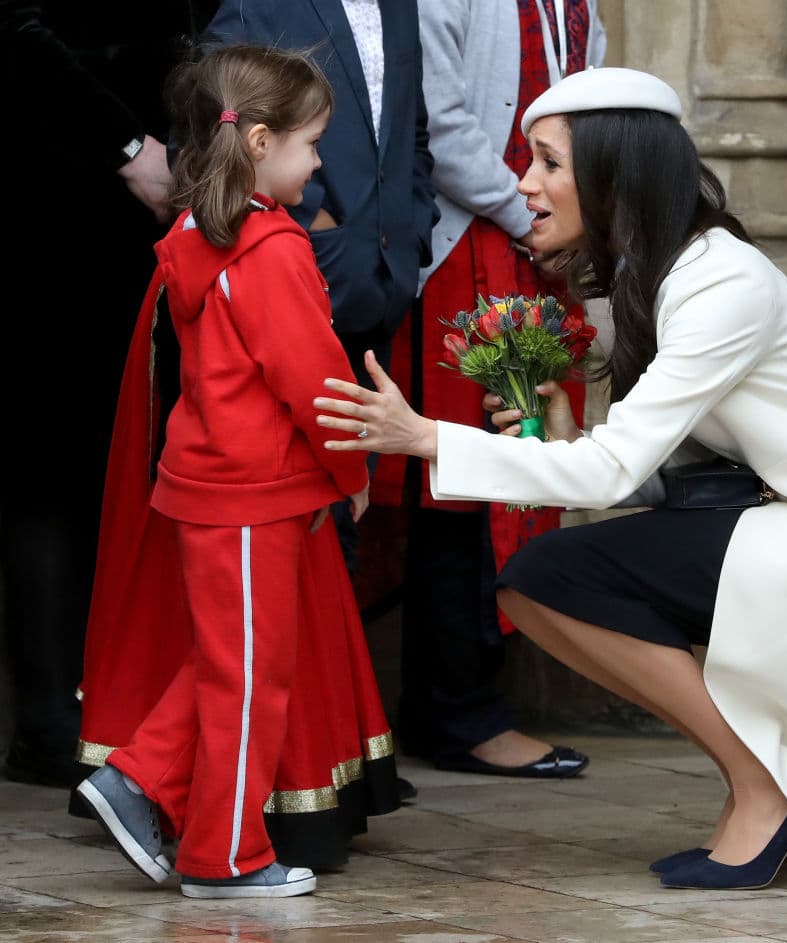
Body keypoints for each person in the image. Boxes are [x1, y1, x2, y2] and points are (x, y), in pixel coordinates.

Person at [312, 67, 787, 889]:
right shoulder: (673, 270)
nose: (525, 183)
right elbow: (656, 471)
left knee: (547, 577)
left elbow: (613, 473)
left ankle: (763, 786)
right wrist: (571, 436)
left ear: (614, 178)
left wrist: (427, 436)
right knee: (543, 580)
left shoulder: (719, 283)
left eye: (548, 163)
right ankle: (765, 783)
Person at [75, 42, 399, 898]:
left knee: (231, 663)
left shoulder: (199, 232)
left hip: (221, 492)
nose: (319, 163)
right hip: (251, 496)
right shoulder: (270, 248)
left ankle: (136, 777)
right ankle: (224, 856)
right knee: (249, 677)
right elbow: (315, 381)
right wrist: (350, 470)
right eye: (312, 144)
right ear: (259, 141)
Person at [199, 0, 440, 802]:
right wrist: (316, 220)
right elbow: (211, 105)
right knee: (285, 590)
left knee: (334, 556)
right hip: (318, 264)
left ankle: (333, 760)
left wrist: (412, 226)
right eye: (302, 146)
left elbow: (408, 128)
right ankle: (289, 782)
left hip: (380, 275)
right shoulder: (268, 250)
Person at [368, 0, 604, 777]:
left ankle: (458, 701)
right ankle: (456, 711)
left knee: (522, 468)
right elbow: (440, 125)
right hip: (468, 251)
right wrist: (528, 215)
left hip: (536, 251)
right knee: (460, 486)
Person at [0, 0, 218, 789]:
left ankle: (111, 706)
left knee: (126, 455)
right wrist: (126, 143)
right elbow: (17, 29)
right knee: (52, 463)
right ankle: (49, 719)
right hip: (62, 190)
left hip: (158, 184)